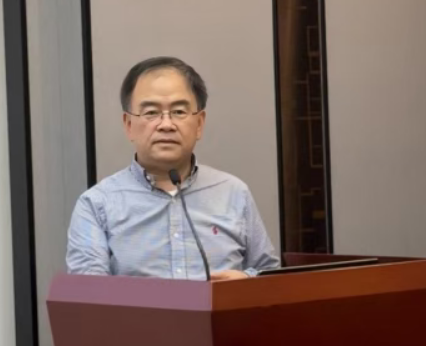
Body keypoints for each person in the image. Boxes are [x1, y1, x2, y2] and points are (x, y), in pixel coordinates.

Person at [66, 56, 279, 282]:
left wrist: (247, 281)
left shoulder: (234, 193)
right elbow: (88, 293)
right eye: (151, 112)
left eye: (178, 112)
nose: (166, 125)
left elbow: (272, 276)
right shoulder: (97, 204)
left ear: (199, 123)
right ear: (129, 125)